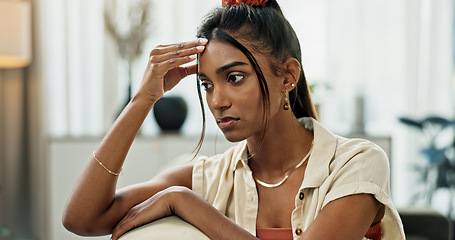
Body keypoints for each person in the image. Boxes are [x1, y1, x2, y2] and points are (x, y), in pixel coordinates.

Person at [62, 0, 405, 239]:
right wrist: (143, 99)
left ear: (288, 77)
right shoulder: (209, 176)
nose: (216, 100)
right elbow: (81, 218)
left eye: (235, 77)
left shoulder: (356, 164)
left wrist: (185, 203)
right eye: (206, 84)